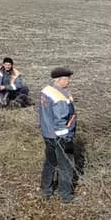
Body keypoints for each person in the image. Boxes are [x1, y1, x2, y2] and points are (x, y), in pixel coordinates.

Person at [39, 67, 78, 203]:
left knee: (50, 162)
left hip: (47, 134)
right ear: (59, 80)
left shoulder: (47, 91)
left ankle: (45, 191)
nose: (69, 81)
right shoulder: (59, 97)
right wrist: (67, 138)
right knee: (66, 164)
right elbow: (61, 120)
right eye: (66, 79)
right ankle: (66, 196)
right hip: (61, 136)